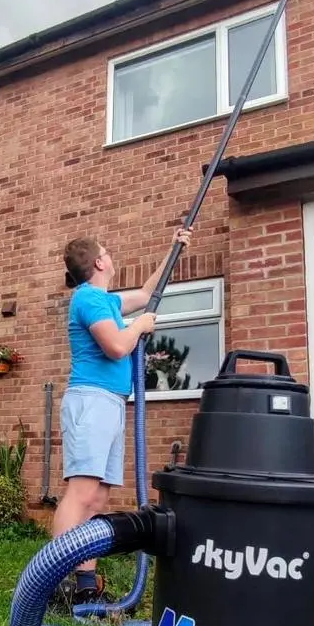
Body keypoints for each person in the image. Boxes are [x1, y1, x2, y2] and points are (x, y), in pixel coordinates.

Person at [53, 225, 192, 605]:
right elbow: (116, 347)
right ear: (99, 262)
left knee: (97, 497)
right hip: (91, 399)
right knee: (81, 492)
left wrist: (174, 248)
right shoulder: (89, 300)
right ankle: (56, 580)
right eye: (107, 251)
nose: (111, 255)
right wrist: (140, 325)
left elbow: (148, 294)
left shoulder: (107, 301)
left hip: (111, 401)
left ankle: (85, 585)